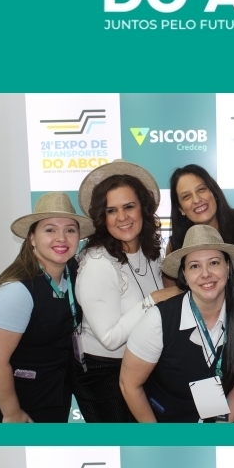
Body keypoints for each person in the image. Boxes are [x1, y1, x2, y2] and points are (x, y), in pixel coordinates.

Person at [119, 224, 234, 422]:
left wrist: (218, 429)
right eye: (195, 266)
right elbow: (129, 385)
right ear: (184, 275)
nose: (205, 274)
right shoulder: (158, 320)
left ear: (228, 268)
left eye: (214, 263)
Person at [73, 161, 177, 421]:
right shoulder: (98, 263)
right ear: (102, 218)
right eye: (112, 210)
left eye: (129, 206)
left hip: (144, 363)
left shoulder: (150, 251)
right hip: (104, 373)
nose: (122, 217)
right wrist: (153, 300)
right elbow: (109, 338)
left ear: (144, 208)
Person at [168, 167, 234, 411]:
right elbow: (175, 301)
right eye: (186, 196)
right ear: (180, 208)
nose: (197, 200)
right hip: (206, 348)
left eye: (201, 190)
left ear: (214, 192)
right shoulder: (177, 246)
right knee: (212, 417)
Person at [0, 192, 87, 423]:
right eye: (50, 230)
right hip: (14, 399)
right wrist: (12, 413)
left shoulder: (75, 271)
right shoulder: (15, 291)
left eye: (70, 230)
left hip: (53, 391)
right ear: (32, 238)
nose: (61, 238)